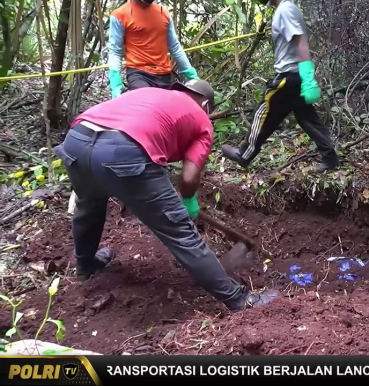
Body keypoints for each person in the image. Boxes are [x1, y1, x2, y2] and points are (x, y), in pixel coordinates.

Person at [52, 79, 278, 312]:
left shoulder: (150, 93)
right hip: (123, 150)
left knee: (89, 205)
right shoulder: (201, 119)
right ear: (207, 107)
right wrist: (188, 201)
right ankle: (239, 300)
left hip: (77, 140)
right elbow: (189, 178)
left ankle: (86, 264)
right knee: (180, 232)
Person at [221, 0, 340, 173]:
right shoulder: (288, 8)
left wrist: (308, 75)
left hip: (289, 76)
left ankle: (244, 154)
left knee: (263, 112)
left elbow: (300, 40)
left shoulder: (285, 9)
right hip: (295, 75)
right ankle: (330, 158)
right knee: (307, 118)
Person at [107, 0, 198, 98]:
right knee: (145, 105)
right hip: (139, 74)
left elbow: (175, 47)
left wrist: (191, 75)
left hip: (164, 74)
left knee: (165, 109)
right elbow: (115, 51)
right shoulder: (120, 15)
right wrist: (115, 84)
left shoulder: (164, 13)